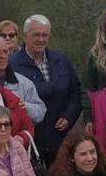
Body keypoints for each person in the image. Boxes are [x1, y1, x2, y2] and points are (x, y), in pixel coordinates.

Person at [10, 14, 83, 163]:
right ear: (25, 36)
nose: (41, 39)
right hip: (30, 140)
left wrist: (69, 116)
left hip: (60, 137)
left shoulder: (61, 60)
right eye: (36, 34)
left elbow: (76, 92)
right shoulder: (13, 65)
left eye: (45, 35)